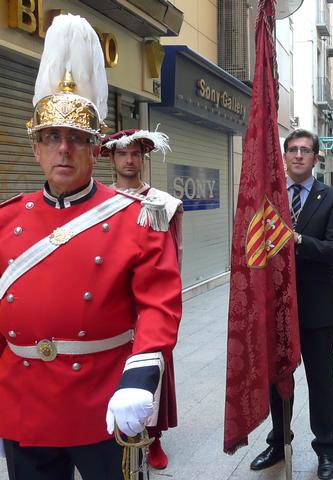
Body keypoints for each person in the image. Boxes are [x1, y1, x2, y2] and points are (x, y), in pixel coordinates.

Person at [0, 14, 182, 480]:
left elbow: (159, 307)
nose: (63, 149)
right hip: (22, 400)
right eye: (51, 138)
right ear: (36, 148)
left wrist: (139, 379)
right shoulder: (6, 220)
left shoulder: (135, 217)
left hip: (104, 399)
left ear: (95, 150)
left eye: (77, 139)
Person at [250, 128, 333, 480]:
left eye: (306, 150)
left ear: (316, 158)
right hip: (276, 306)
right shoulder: (269, 198)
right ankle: (279, 441)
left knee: (321, 380)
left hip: (316, 309)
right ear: (284, 155)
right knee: (277, 379)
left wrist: (298, 239)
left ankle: (326, 448)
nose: (299, 155)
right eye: (293, 150)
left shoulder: (332, 198)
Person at [101, 128, 183, 470]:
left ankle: (154, 437)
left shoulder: (161, 202)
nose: (129, 160)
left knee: (152, 364)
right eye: (122, 154)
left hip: (149, 298)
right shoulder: (99, 202)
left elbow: (173, 254)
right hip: (111, 299)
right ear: (112, 158)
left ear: (143, 158)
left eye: (135, 154)